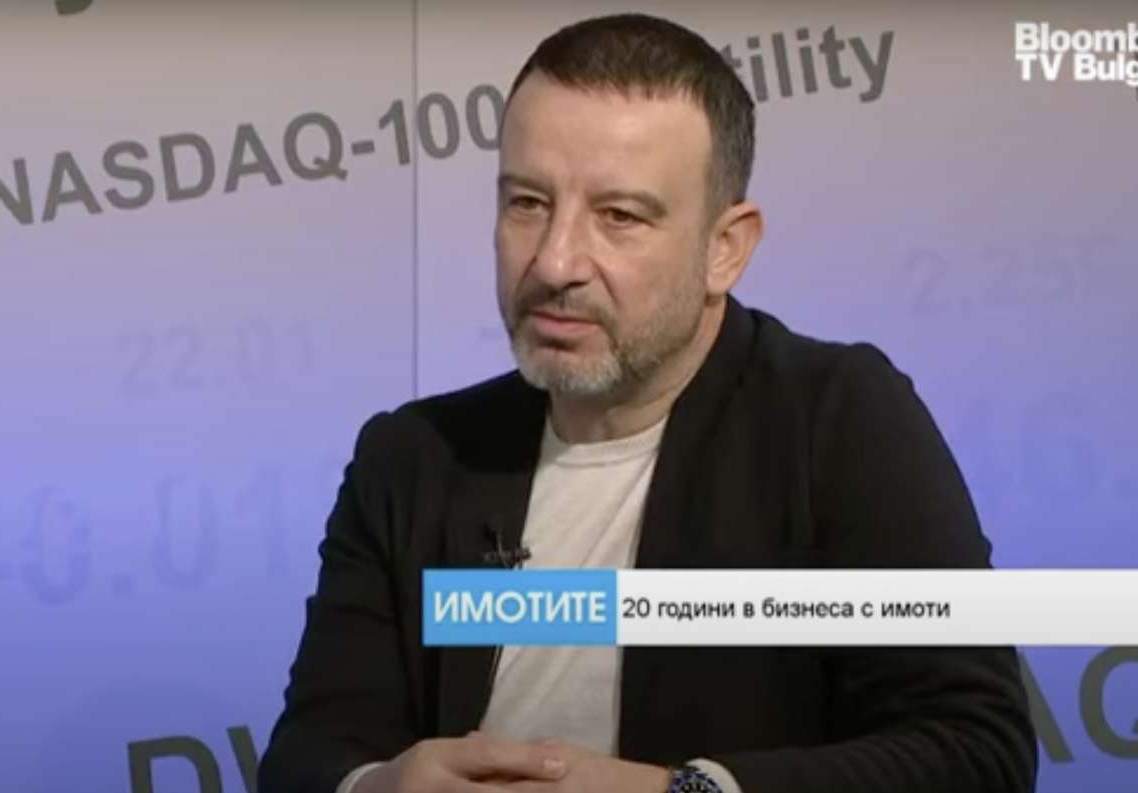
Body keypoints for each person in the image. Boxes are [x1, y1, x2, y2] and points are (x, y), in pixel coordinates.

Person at [259, 12, 1036, 793]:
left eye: (619, 216)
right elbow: (309, 755)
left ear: (725, 249)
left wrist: (679, 791)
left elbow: (973, 751)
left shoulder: (838, 420)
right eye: (527, 203)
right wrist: (378, 787)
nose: (555, 261)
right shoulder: (415, 455)